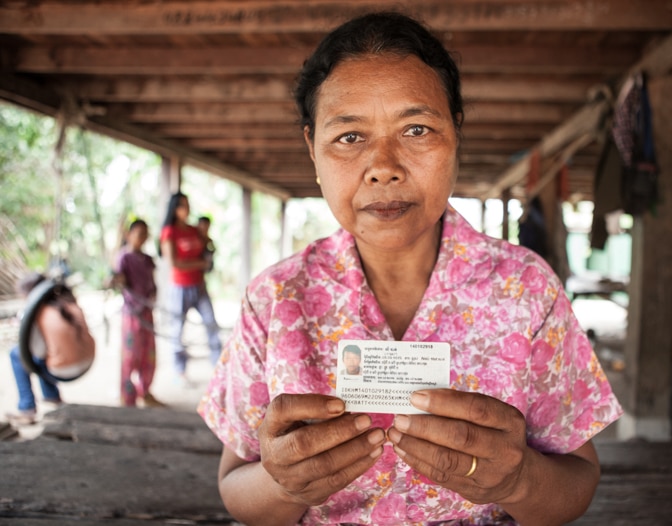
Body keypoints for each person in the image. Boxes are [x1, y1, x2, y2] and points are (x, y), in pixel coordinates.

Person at [198, 11, 622, 526]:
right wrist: (281, 484)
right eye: (350, 137)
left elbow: (578, 481)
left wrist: (519, 480)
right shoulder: (276, 298)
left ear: (455, 133)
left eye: (416, 129)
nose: (384, 166)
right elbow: (234, 484)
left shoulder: (527, 289)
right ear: (312, 148)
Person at [6, 273, 95, 425]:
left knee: (17, 354)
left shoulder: (37, 313)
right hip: (88, 360)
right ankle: (52, 397)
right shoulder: (67, 301)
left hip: (66, 370)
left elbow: (38, 352)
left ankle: (27, 409)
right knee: (47, 353)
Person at [159, 192, 222, 381]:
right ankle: (180, 370)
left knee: (211, 324)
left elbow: (209, 244)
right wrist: (201, 264)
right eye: (182, 206)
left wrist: (207, 240)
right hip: (180, 287)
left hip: (199, 285)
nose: (186, 209)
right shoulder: (169, 232)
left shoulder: (193, 230)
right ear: (175, 209)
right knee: (177, 329)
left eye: (187, 205)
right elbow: (175, 263)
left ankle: (218, 365)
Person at [113, 219, 164, 408]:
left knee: (148, 356)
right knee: (130, 357)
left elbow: (152, 283)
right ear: (129, 234)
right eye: (139, 233)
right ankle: (128, 398)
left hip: (147, 314)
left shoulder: (148, 259)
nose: (142, 237)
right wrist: (115, 277)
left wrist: (153, 296)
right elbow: (118, 279)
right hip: (131, 315)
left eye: (145, 233)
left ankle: (146, 392)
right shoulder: (123, 258)